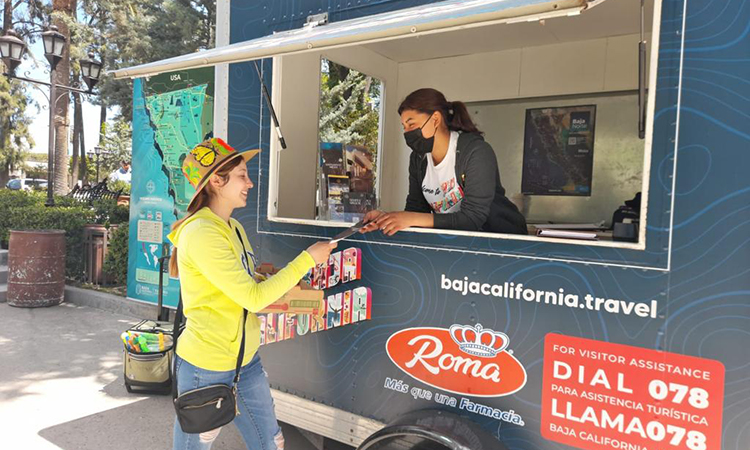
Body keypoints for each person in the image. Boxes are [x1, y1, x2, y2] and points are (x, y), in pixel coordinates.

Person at [167, 137, 336, 449]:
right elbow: (253, 297)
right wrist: (307, 260)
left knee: (271, 442)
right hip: (206, 367)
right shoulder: (202, 233)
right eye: (242, 176)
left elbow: (247, 282)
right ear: (216, 181)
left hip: (246, 362)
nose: (250, 183)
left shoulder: (233, 227)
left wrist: (278, 282)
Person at [361, 88, 527, 236]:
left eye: (411, 124)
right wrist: (388, 219)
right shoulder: (418, 159)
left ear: (435, 119)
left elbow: (473, 218)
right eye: (404, 126)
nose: (407, 132)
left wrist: (409, 218)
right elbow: (416, 211)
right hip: (459, 243)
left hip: (503, 241)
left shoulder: (476, 152)